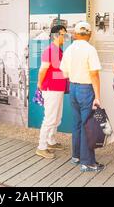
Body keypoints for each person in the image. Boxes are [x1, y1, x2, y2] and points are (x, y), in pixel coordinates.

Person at [60, 21, 105, 172]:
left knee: (77, 123)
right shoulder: (90, 50)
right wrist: (97, 96)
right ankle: (87, 162)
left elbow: (64, 73)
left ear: (75, 34)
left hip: (73, 87)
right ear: (90, 34)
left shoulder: (69, 49)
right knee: (88, 125)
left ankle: (76, 156)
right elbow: (94, 74)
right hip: (86, 89)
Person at [36, 25, 68, 159]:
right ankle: (41, 147)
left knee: (57, 118)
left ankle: (51, 141)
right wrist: (39, 84)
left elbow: (56, 72)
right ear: (55, 35)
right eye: (63, 34)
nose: (65, 37)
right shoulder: (50, 51)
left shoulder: (58, 50)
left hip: (58, 88)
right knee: (49, 119)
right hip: (51, 89)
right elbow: (43, 70)